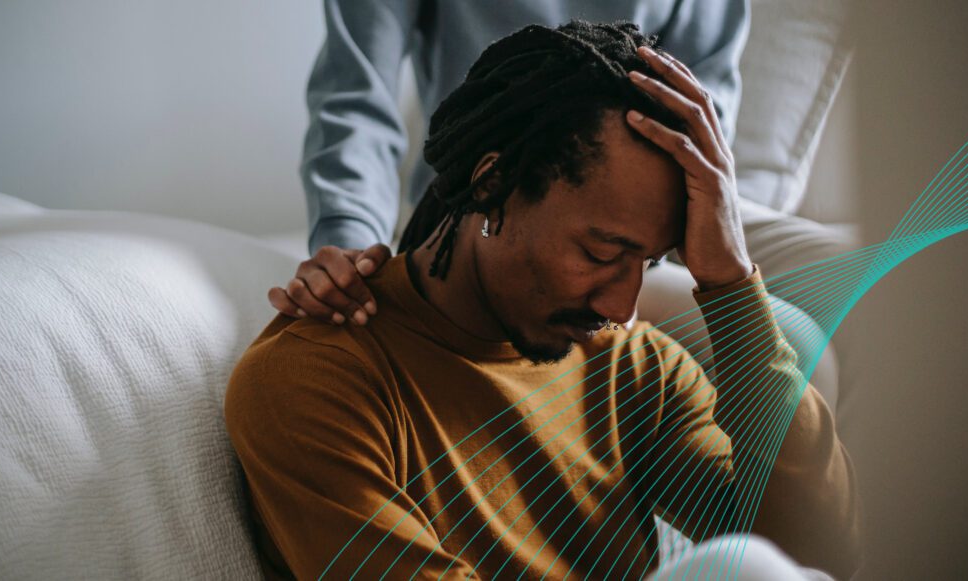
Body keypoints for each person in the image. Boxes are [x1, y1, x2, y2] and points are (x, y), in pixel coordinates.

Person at [227, 22, 861, 580]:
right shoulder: (317, 381)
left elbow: (818, 554)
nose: (623, 304)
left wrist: (729, 283)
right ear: (493, 182)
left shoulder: (633, 365)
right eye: (600, 252)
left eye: (648, 263)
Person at [270, 0, 848, 415]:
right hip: (507, 207)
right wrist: (349, 240)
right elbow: (356, 94)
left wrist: (714, 252)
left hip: (661, 210)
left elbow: (708, 94)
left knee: (872, 281)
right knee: (798, 347)